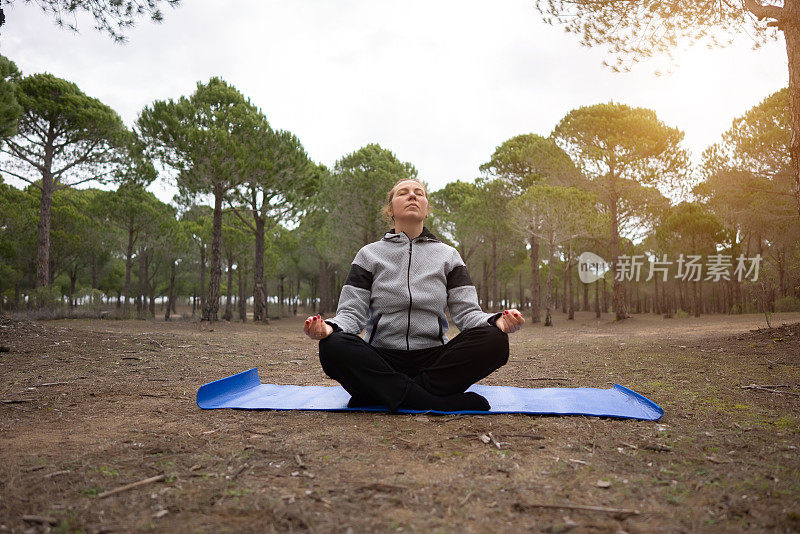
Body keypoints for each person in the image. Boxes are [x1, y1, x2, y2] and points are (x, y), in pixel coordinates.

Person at [303, 178, 525, 411]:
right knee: (332, 345)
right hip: (381, 360)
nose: (412, 196)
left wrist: (496, 319)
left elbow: (467, 314)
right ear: (390, 209)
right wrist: (329, 327)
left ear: (426, 208)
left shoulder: (448, 256)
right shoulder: (368, 255)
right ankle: (430, 400)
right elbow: (351, 314)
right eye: (403, 193)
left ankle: (383, 394)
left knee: (495, 340)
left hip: (434, 362)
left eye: (419, 193)